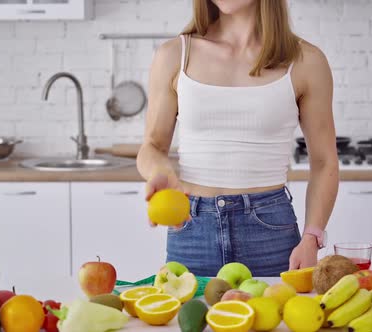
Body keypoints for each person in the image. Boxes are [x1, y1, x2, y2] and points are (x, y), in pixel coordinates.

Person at [137, 0, 339, 277]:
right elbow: (152, 147)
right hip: (192, 227)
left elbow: (325, 161)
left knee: (275, 321)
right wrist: (158, 170)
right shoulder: (174, 55)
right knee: (189, 319)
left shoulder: (306, 61)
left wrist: (312, 238)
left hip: (270, 231)